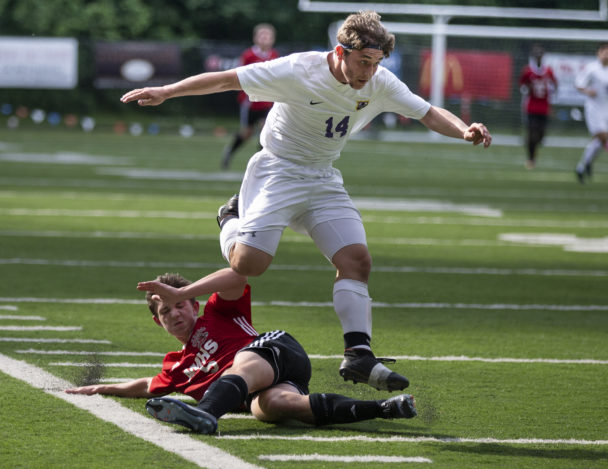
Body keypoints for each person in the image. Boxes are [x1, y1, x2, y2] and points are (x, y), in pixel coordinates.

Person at [120, 11, 492, 393]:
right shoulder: (300, 69)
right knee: (249, 265)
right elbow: (228, 79)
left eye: (376, 63)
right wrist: (167, 91)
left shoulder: (378, 81)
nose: (368, 72)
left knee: (356, 260)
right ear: (340, 51)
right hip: (277, 171)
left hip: (322, 176)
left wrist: (465, 130)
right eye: (363, 62)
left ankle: (358, 354)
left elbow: (428, 112)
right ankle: (230, 218)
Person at [65, 268, 417, 435]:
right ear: (159, 323)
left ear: (195, 304)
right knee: (272, 409)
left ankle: (205, 414)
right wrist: (101, 387)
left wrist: (189, 288)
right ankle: (387, 409)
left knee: (240, 365)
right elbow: (147, 385)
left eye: (178, 305)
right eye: (165, 311)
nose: (174, 314)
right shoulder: (177, 366)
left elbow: (237, 277)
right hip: (270, 385)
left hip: (273, 350)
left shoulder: (219, 311)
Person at [220, 23, 279, 170]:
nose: (265, 38)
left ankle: (260, 164)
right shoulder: (249, 55)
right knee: (246, 133)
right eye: (262, 35)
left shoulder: (274, 55)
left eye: (268, 36)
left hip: (267, 101)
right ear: (255, 38)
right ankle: (230, 151)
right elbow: (241, 75)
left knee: (266, 131)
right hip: (251, 102)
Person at [574, 42, 608, 183]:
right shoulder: (592, 69)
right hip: (594, 109)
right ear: (599, 54)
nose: (607, 56)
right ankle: (593, 157)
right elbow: (579, 84)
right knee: (603, 136)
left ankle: (582, 166)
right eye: (604, 53)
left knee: (598, 141)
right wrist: (588, 91)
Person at [519, 44, 557, 170]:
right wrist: (528, 89)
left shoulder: (548, 71)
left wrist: (551, 92)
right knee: (532, 134)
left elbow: (555, 85)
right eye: (536, 55)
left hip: (544, 108)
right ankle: (531, 159)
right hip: (531, 107)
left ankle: (533, 146)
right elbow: (522, 87)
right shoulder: (528, 71)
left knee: (540, 135)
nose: (539, 57)